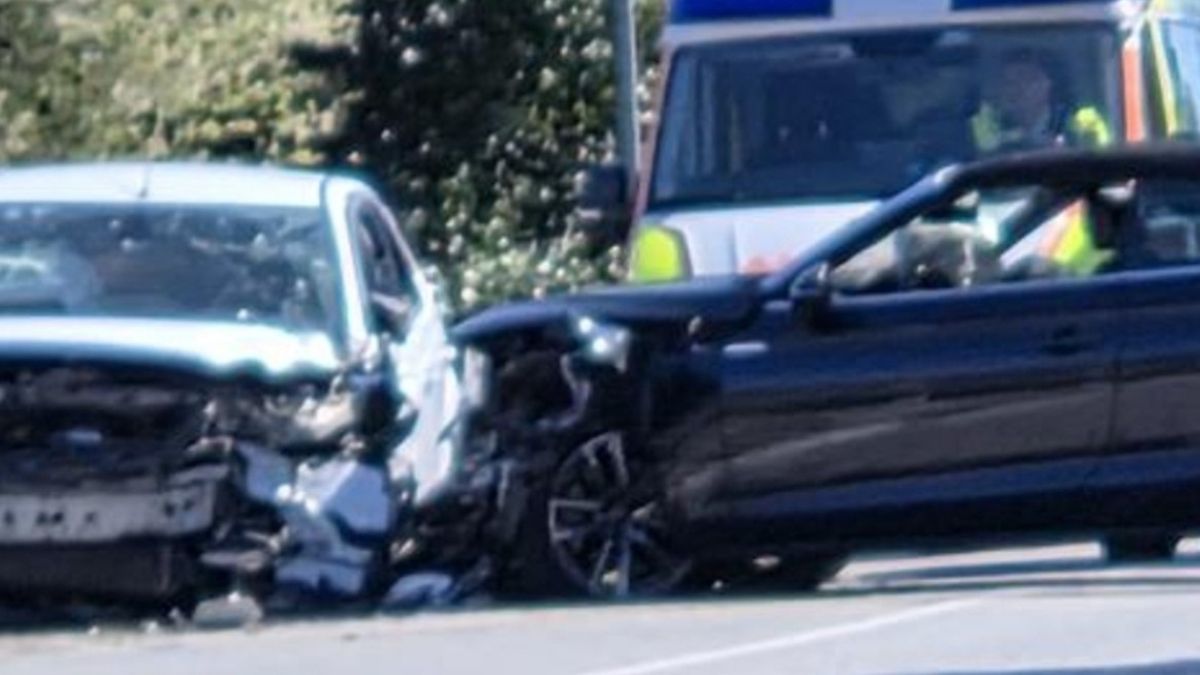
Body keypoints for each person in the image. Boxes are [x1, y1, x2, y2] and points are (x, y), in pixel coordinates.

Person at [971, 49, 1112, 154]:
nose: (1016, 88)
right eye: (1008, 82)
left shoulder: (1077, 125)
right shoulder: (989, 128)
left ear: (1048, 84)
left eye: (1026, 79)